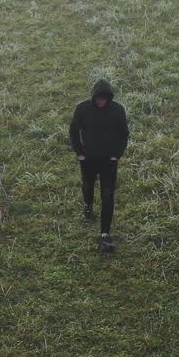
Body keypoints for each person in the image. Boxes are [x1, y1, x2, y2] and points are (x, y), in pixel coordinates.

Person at [68, 78, 129, 252]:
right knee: (88, 186)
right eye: (98, 98)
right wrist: (79, 152)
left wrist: (116, 155)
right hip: (88, 159)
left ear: (109, 98)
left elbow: (124, 134)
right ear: (93, 97)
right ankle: (88, 206)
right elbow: (73, 130)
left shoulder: (118, 110)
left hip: (108, 160)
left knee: (108, 195)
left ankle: (104, 234)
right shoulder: (82, 108)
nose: (101, 101)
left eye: (104, 98)